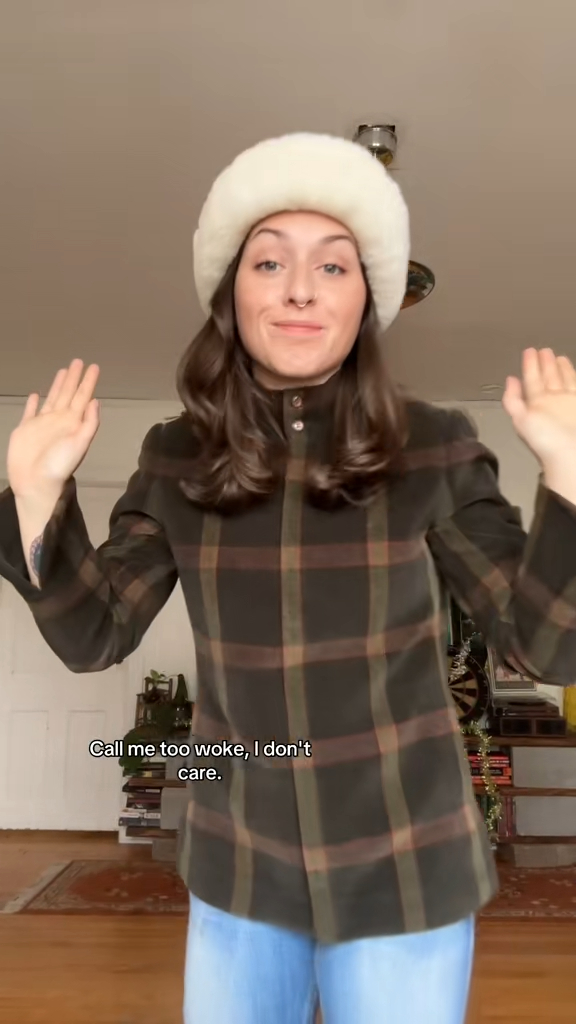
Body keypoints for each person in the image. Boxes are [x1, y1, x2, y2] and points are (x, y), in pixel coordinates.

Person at [1, 132, 576, 1024]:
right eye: (270, 261)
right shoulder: (175, 456)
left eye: (334, 267)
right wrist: (38, 499)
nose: (301, 288)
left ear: (367, 301)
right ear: (233, 292)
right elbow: (92, 635)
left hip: (405, 871)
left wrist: (569, 489)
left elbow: (546, 645)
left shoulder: (436, 446)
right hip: (238, 868)